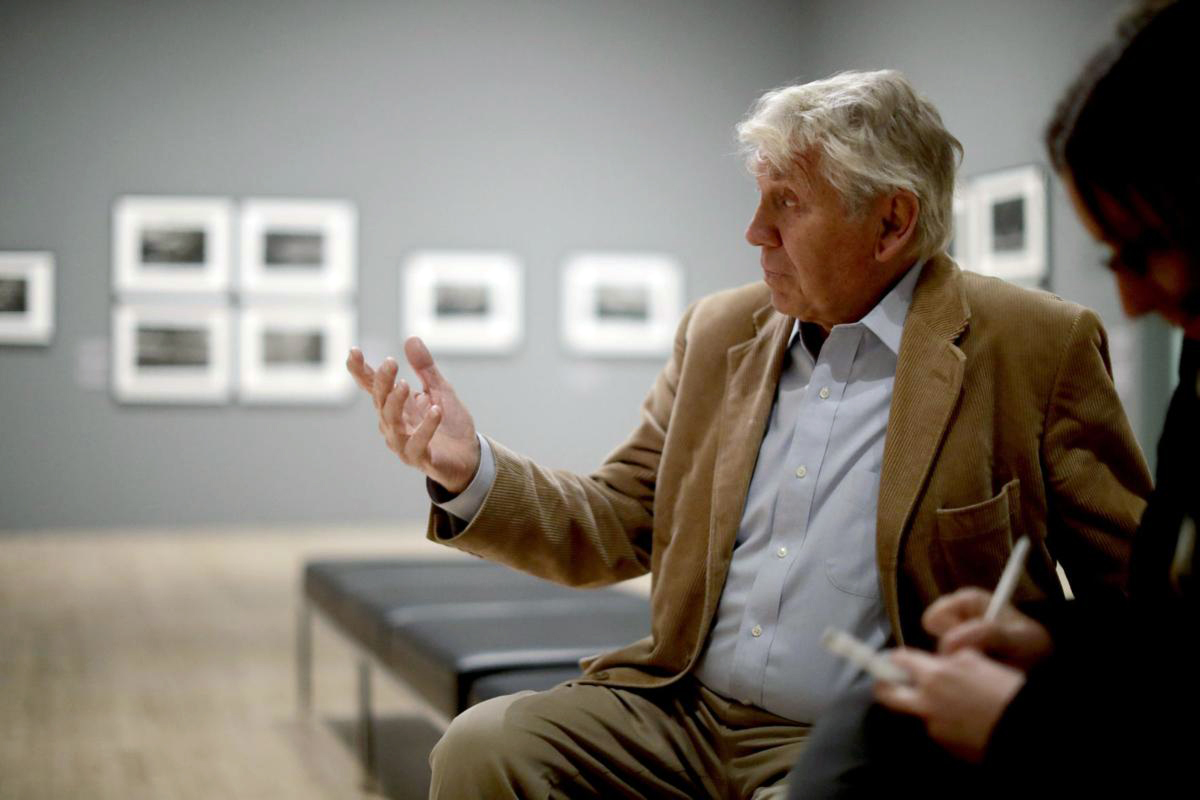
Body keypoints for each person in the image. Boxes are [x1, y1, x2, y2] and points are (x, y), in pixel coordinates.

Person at [347, 69, 1150, 798]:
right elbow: (618, 519)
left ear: (891, 222)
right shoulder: (717, 332)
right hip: (681, 710)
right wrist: (469, 471)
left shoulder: (1036, 346)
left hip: (868, 744)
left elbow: (1137, 603)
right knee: (484, 747)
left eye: (786, 203)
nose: (755, 231)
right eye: (760, 198)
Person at [789, 2, 1199, 797]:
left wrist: (1021, 725)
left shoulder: (1040, 340)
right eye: (1111, 257)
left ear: (891, 221)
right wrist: (1045, 641)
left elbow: (1128, 585)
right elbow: (1159, 624)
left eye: (1150, 248)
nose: (1133, 300)